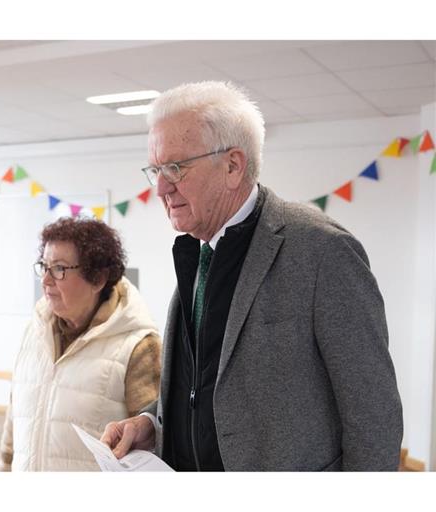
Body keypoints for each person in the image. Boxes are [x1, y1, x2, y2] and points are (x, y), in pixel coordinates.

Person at [100, 81, 403, 471]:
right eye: (156, 169)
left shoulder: (322, 252)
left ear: (233, 165)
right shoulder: (198, 250)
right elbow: (206, 388)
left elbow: (373, 416)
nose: (160, 187)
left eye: (175, 168)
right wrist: (152, 424)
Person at [0, 217, 161, 471]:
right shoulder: (34, 331)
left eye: (59, 268)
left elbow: (152, 447)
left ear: (98, 278)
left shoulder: (138, 346)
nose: (46, 280)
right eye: (44, 266)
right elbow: (15, 421)